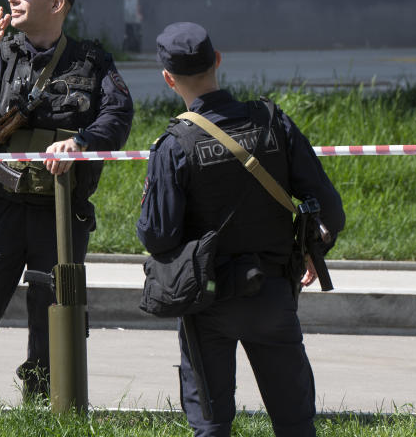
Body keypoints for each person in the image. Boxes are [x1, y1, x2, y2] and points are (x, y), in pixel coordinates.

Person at [0, 0, 134, 402]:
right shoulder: (0, 54)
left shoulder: (92, 61)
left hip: (60, 210)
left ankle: (45, 400)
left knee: (55, 309)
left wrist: (81, 142)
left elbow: (118, 115)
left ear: (57, 3)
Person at [136, 22, 344, 437]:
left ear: (167, 79)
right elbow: (328, 209)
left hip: (207, 301)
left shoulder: (175, 145)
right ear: (217, 60)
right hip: (273, 292)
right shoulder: (272, 122)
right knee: (295, 421)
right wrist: (312, 247)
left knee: (211, 423)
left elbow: (157, 235)